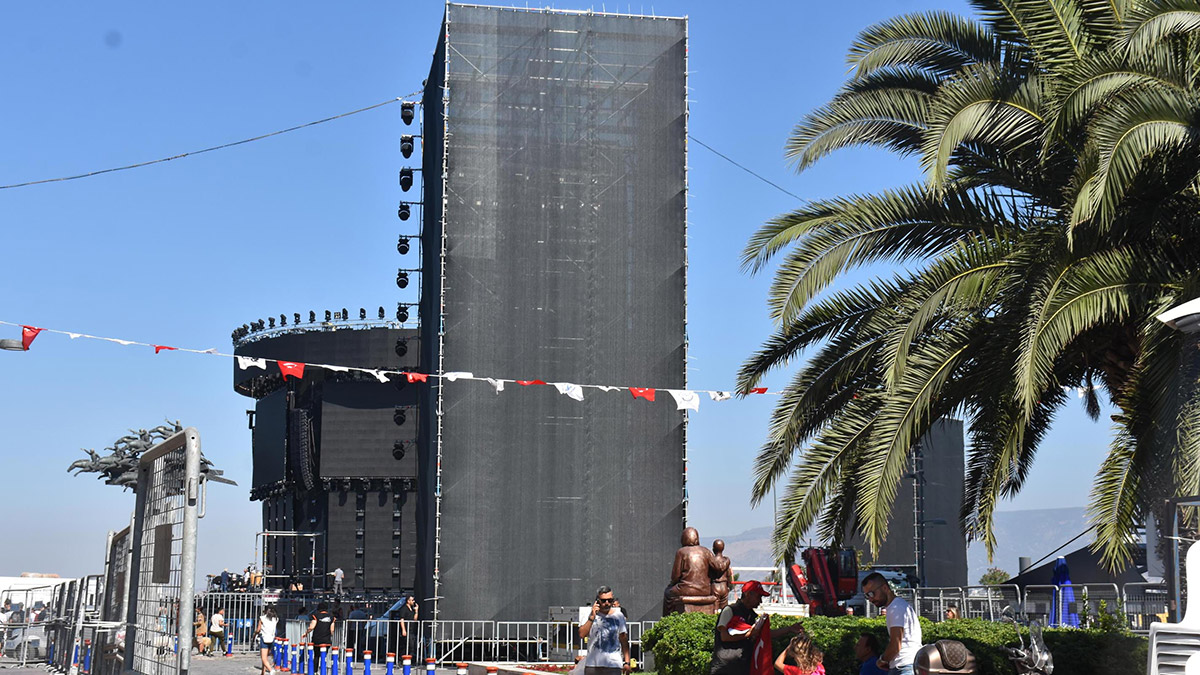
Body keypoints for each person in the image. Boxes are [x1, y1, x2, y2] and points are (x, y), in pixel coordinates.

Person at [709, 580, 801, 675]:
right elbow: (724, 637)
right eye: (759, 597)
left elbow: (765, 634)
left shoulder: (751, 615)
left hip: (742, 666)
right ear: (749, 594)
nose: (760, 601)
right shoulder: (729, 610)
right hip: (725, 667)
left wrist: (789, 629)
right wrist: (749, 634)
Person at [861, 573, 920, 675]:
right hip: (908, 665)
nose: (870, 599)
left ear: (884, 588)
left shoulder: (895, 608)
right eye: (867, 596)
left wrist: (882, 660)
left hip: (904, 667)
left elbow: (895, 645)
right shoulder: (899, 605)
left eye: (871, 594)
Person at [577, 586, 630, 675]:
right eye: (603, 601)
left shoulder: (619, 615)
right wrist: (592, 617)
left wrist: (627, 662)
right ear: (597, 601)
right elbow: (582, 634)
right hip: (593, 665)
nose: (607, 603)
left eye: (610, 600)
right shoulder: (589, 614)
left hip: (613, 664)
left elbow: (624, 640)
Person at [257, 605, 279, 675]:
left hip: (264, 638)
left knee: (263, 658)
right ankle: (263, 672)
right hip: (271, 639)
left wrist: (255, 633)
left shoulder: (262, 618)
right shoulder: (275, 619)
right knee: (266, 656)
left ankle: (271, 670)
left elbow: (258, 629)